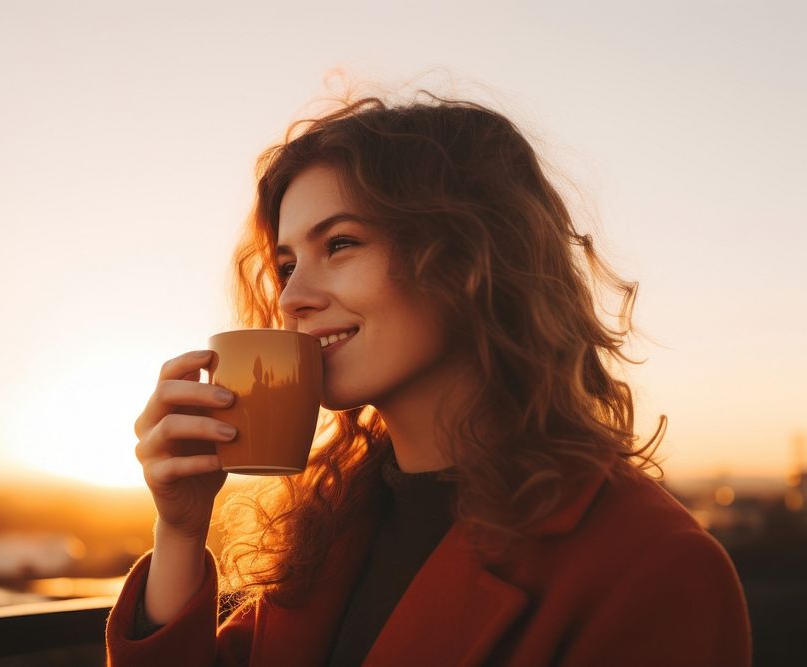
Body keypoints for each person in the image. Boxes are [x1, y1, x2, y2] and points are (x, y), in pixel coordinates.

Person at [106, 92, 752, 666]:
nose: (293, 296)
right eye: (285, 262)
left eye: (339, 244)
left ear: (468, 255)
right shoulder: (328, 533)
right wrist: (181, 529)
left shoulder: (656, 567)